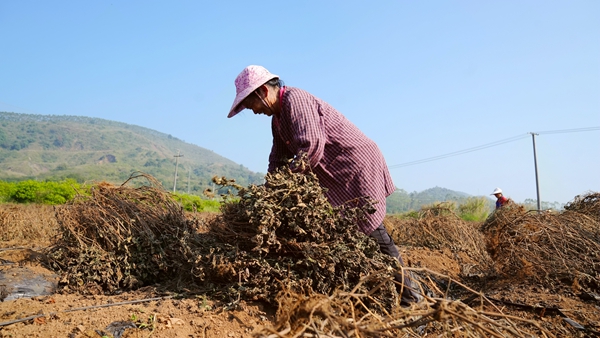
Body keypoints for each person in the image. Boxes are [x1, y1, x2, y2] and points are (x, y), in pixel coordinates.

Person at [227, 65, 421, 304]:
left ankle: (411, 298)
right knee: (347, 233)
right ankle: (373, 291)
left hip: (354, 166)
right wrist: (267, 192)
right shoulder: (277, 120)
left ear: (262, 91)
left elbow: (311, 146)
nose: (251, 110)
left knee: (371, 230)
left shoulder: (294, 100)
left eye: (249, 103)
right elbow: (277, 158)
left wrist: (284, 185)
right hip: (334, 174)